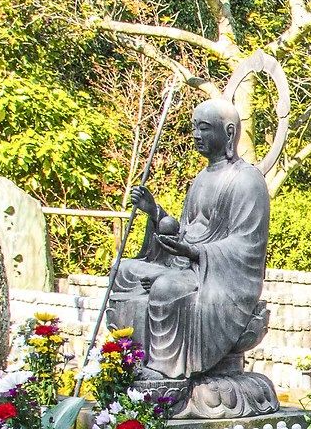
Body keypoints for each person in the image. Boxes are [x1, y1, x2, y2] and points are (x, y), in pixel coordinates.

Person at [109, 97, 271, 395]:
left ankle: (164, 369)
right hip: (186, 265)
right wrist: (155, 213)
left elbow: (247, 246)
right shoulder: (201, 178)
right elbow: (186, 231)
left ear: (229, 132)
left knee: (165, 288)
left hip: (220, 277)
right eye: (194, 127)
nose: (196, 135)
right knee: (122, 270)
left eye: (204, 128)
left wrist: (195, 253)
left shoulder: (247, 181)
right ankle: (132, 360)